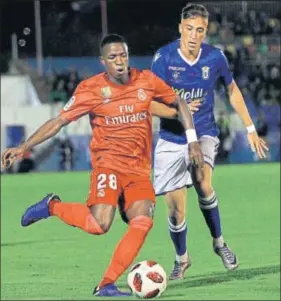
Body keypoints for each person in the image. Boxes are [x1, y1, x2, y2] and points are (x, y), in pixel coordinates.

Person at [1, 34, 204, 297]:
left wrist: (192, 141)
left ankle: (106, 283)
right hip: (107, 166)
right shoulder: (90, 89)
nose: (120, 62)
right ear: (102, 61)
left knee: (143, 220)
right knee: (99, 226)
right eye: (113, 57)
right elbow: (58, 122)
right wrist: (23, 147)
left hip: (139, 170)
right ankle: (52, 206)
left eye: (123, 56)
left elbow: (179, 103)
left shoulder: (146, 80)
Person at [151, 3, 269, 280]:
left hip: (204, 132)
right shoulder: (163, 59)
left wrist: (250, 127)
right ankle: (182, 259)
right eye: (189, 29)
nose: (193, 35)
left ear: (205, 32)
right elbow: (146, 103)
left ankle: (219, 243)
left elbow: (232, 89)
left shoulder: (215, 57)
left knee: (203, 182)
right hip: (171, 136)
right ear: (180, 28)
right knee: (175, 209)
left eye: (200, 30)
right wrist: (176, 111)